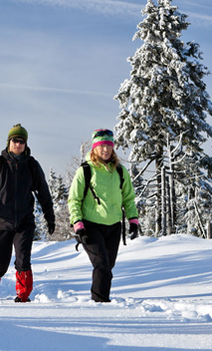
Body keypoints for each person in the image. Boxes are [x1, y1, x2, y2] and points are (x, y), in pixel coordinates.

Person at [0, 123, 55, 302]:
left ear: (26, 144)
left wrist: (50, 217)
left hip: (24, 222)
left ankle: (23, 298)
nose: (18, 144)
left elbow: (44, 193)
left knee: (23, 262)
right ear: (9, 142)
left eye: (22, 141)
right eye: (15, 140)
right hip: (0, 222)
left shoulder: (32, 166)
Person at [68, 128, 139, 302]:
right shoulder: (85, 171)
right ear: (94, 148)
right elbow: (74, 199)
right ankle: (100, 302)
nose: (106, 150)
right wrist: (78, 224)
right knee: (101, 265)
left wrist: (133, 220)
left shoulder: (120, 172)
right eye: (102, 146)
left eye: (108, 146)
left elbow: (128, 198)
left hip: (114, 226)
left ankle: (101, 300)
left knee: (108, 266)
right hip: (90, 226)